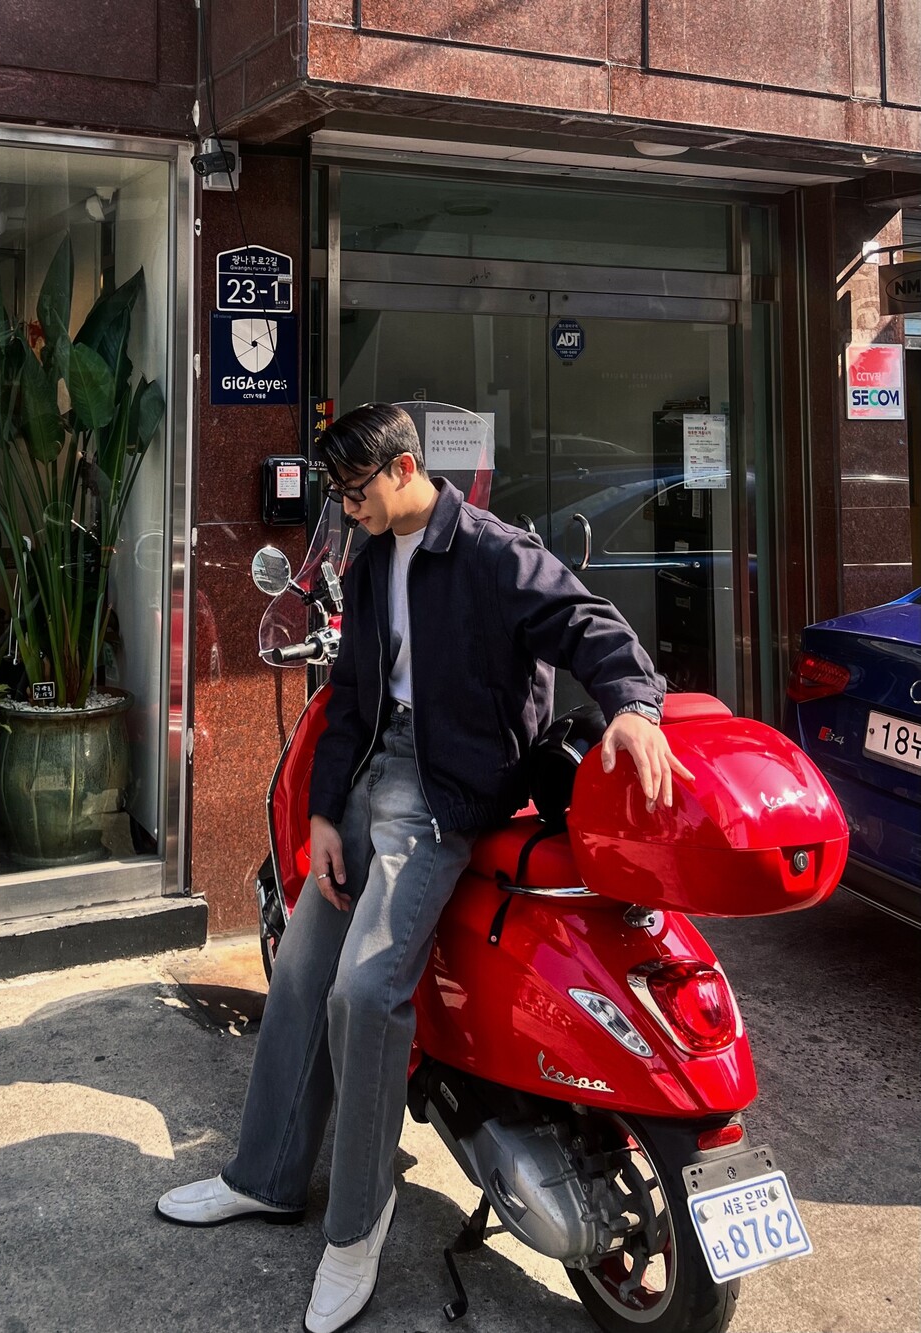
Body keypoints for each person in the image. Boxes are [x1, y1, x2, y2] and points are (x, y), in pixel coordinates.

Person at [157, 403, 693, 1333]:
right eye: (336, 493)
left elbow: (588, 623)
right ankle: (265, 1176)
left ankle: (358, 1225)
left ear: (404, 468)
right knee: (302, 973)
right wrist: (324, 813)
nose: (346, 506)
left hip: (442, 795)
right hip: (368, 779)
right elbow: (351, 693)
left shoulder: (492, 551)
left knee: (365, 992)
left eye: (353, 489)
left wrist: (636, 707)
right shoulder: (371, 561)